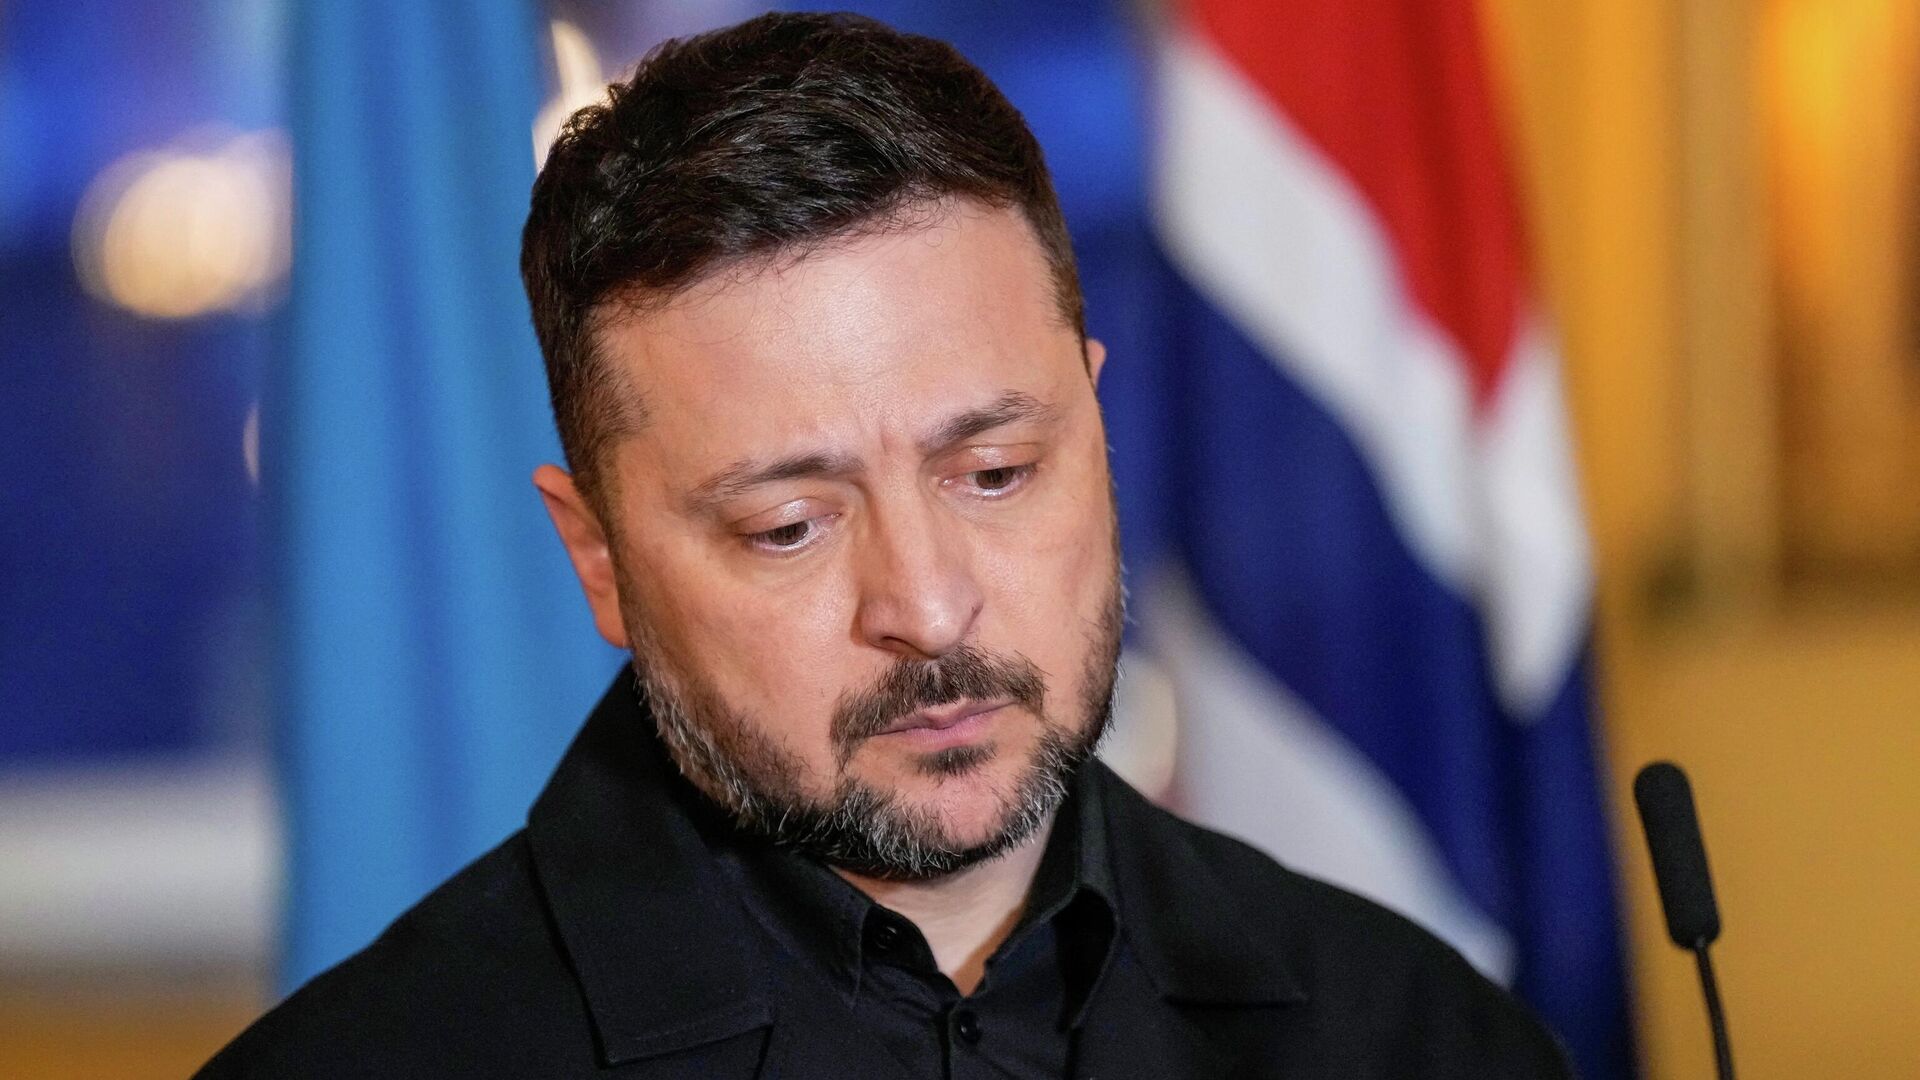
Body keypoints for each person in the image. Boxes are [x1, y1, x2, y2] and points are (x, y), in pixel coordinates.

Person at [198, 12, 1572, 1078]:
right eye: (789, 526)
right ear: (598, 559)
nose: (927, 602)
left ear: (1096, 431)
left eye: (996, 472)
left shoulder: (1416, 1038)